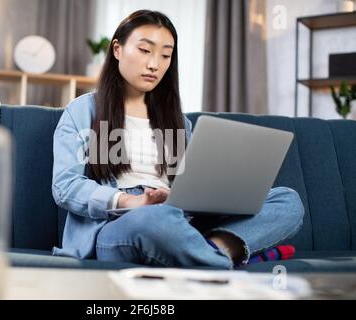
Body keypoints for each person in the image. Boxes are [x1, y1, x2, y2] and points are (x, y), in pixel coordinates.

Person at [51, 10, 304, 269]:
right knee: (154, 220)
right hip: (119, 224)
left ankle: (208, 252)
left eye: (165, 55)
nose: (154, 64)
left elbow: (190, 186)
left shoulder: (180, 122)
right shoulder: (82, 111)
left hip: (178, 217)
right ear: (117, 49)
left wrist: (205, 195)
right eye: (145, 50)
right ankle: (224, 257)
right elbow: (65, 186)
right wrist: (133, 201)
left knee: (287, 200)